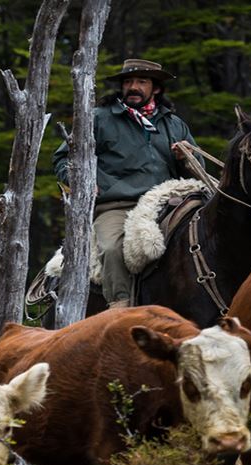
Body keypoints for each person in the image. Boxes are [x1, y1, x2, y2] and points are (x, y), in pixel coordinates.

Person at [53, 58, 198, 309]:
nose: (133, 87)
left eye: (142, 82)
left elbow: (197, 171)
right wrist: (83, 183)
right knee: (111, 248)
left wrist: (186, 159)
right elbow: (63, 159)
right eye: (128, 81)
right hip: (117, 204)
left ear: (156, 89)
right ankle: (120, 305)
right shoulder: (99, 119)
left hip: (169, 202)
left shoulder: (174, 124)